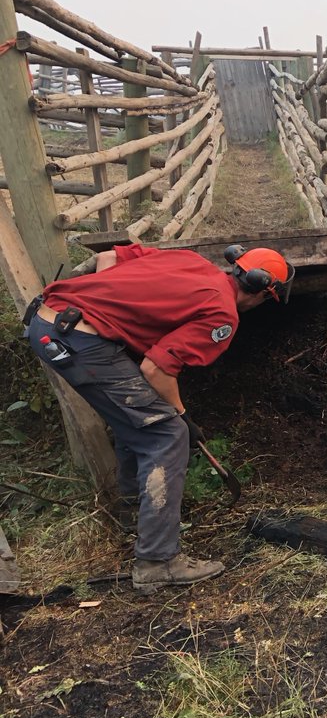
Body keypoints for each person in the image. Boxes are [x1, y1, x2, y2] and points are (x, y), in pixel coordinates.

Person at [24, 242, 294, 592]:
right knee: (167, 435)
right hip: (79, 341)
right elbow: (155, 369)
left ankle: (134, 513)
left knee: (138, 422)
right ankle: (158, 560)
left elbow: (107, 258)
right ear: (261, 294)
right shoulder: (222, 315)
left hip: (49, 319)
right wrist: (182, 416)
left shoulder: (190, 260)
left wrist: (113, 313)